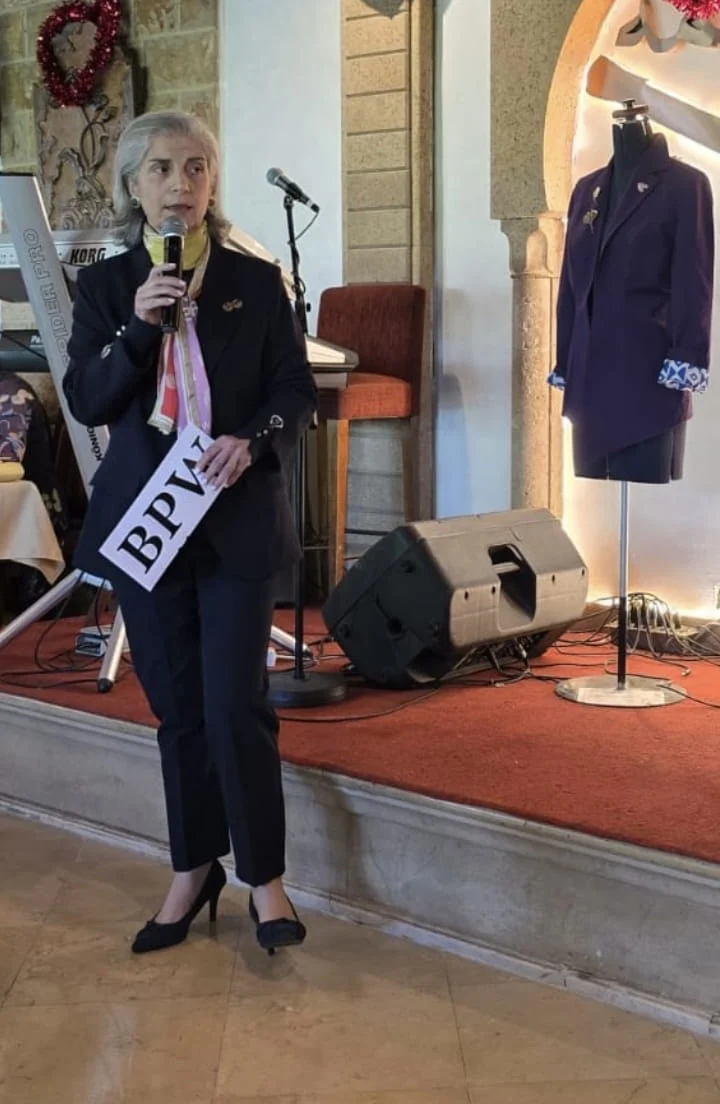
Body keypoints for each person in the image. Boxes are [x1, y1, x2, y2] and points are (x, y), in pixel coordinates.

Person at [64, 110, 317, 956]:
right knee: (177, 709)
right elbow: (90, 399)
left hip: (234, 515)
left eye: (197, 167)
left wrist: (255, 440)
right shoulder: (107, 289)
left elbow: (293, 389)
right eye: (163, 169)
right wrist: (140, 327)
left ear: (213, 182)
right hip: (149, 521)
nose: (181, 184)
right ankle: (193, 867)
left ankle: (265, 879)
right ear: (133, 186)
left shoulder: (257, 280)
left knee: (236, 704)